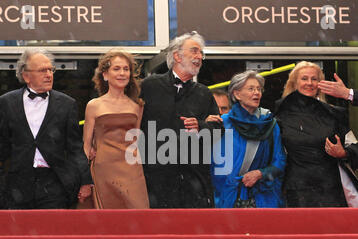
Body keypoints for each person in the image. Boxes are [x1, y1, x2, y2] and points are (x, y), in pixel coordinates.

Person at [0, 48, 92, 209]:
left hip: (55, 182)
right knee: (19, 232)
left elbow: (75, 148)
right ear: (26, 76)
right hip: (17, 182)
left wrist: (85, 181)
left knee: (53, 231)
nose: (49, 74)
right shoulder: (7, 102)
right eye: (43, 70)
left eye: (51, 69)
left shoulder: (67, 104)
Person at [140, 31, 223, 208]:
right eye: (194, 51)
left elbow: (218, 130)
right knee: (160, 232)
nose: (199, 57)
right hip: (156, 178)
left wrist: (201, 126)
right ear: (177, 56)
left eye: (201, 53)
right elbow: (132, 124)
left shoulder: (203, 92)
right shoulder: (150, 86)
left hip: (194, 179)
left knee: (194, 231)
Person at [274, 61, 358, 207]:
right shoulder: (279, 114)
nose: (310, 83)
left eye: (314, 79)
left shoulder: (334, 114)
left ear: (320, 84)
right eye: (304, 78)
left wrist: (343, 153)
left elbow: (354, 146)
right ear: (294, 83)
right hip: (296, 190)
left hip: (331, 189)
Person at [82, 49, 149, 209]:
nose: (122, 73)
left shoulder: (137, 106)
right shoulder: (94, 105)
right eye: (116, 69)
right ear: (105, 75)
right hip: (103, 171)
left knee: (138, 218)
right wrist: (84, 180)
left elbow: (136, 143)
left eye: (126, 69)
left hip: (132, 171)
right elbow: (85, 146)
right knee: (109, 223)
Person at [211, 71, 286, 208]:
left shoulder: (270, 123)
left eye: (259, 89)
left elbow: (279, 161)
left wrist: (260, 174)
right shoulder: (223, 123)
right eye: (251, 89)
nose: (257, 93)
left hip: (262, 197)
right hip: (227, 197)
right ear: (237, 94)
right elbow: (214, 166)